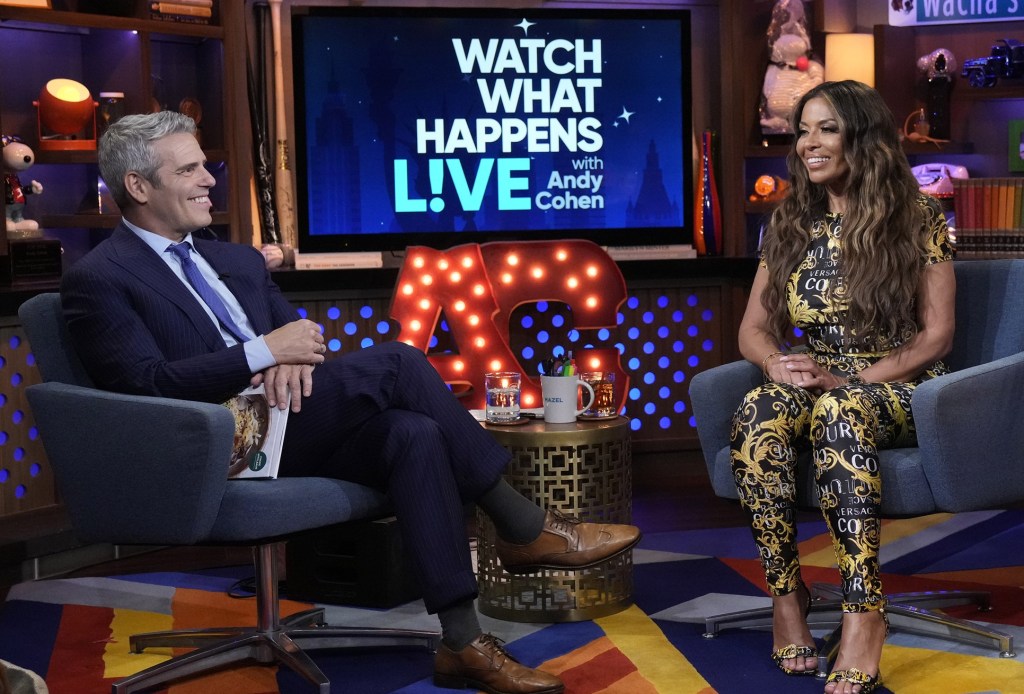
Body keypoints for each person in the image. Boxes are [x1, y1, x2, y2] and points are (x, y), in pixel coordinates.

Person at [60, 111, 641, 694]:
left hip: (287, 421)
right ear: (138, 187)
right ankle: (523, 524)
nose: (210, 178)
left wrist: (286, 352)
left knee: (413, 432)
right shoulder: (101, 277)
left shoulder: (232, 261)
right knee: (399, 362)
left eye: (205, 165)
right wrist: (262, 352)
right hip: (209, 441)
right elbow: (147, 382)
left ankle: (463, 644)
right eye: (189, 169)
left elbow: (303, 337)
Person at [730, 80, 954, 694]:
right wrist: (776, 364)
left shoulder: (918, 217)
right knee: (756, 412)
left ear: (864, 136)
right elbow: (752, 328)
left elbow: (937, 337)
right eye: (803, 130)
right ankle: (786, 597)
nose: (809, 143)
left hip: (897, 383)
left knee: (839, 409)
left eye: (826, 128)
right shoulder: (790, 222)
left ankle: (864, 611)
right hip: (816, 376)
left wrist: (849, 379)